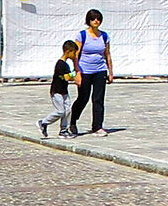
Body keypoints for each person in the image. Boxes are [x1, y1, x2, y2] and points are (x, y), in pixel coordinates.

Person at [72, 8, 114, 136]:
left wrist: (110, 72)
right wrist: (77, 72)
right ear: (88, 20)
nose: (96, 21)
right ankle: (72, 121)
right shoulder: (82, 35)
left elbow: (107, 54)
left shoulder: (104, 36)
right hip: (85, 70)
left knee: (98, 99)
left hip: (100, 70)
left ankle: (97, 126)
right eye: (93, 19)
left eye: (98, 19)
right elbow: (76, 54)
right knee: (83, 98)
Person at [40, 38, 82, 137]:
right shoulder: (61, 64)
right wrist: (74, 74)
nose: (74, 56)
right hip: (57, 91)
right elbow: (66, 77)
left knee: (68, 110)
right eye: (74, 53)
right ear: (68, 51)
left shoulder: (66, 64)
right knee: (60, 111)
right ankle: (44, 122)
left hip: (64, 90)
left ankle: (64, 130)